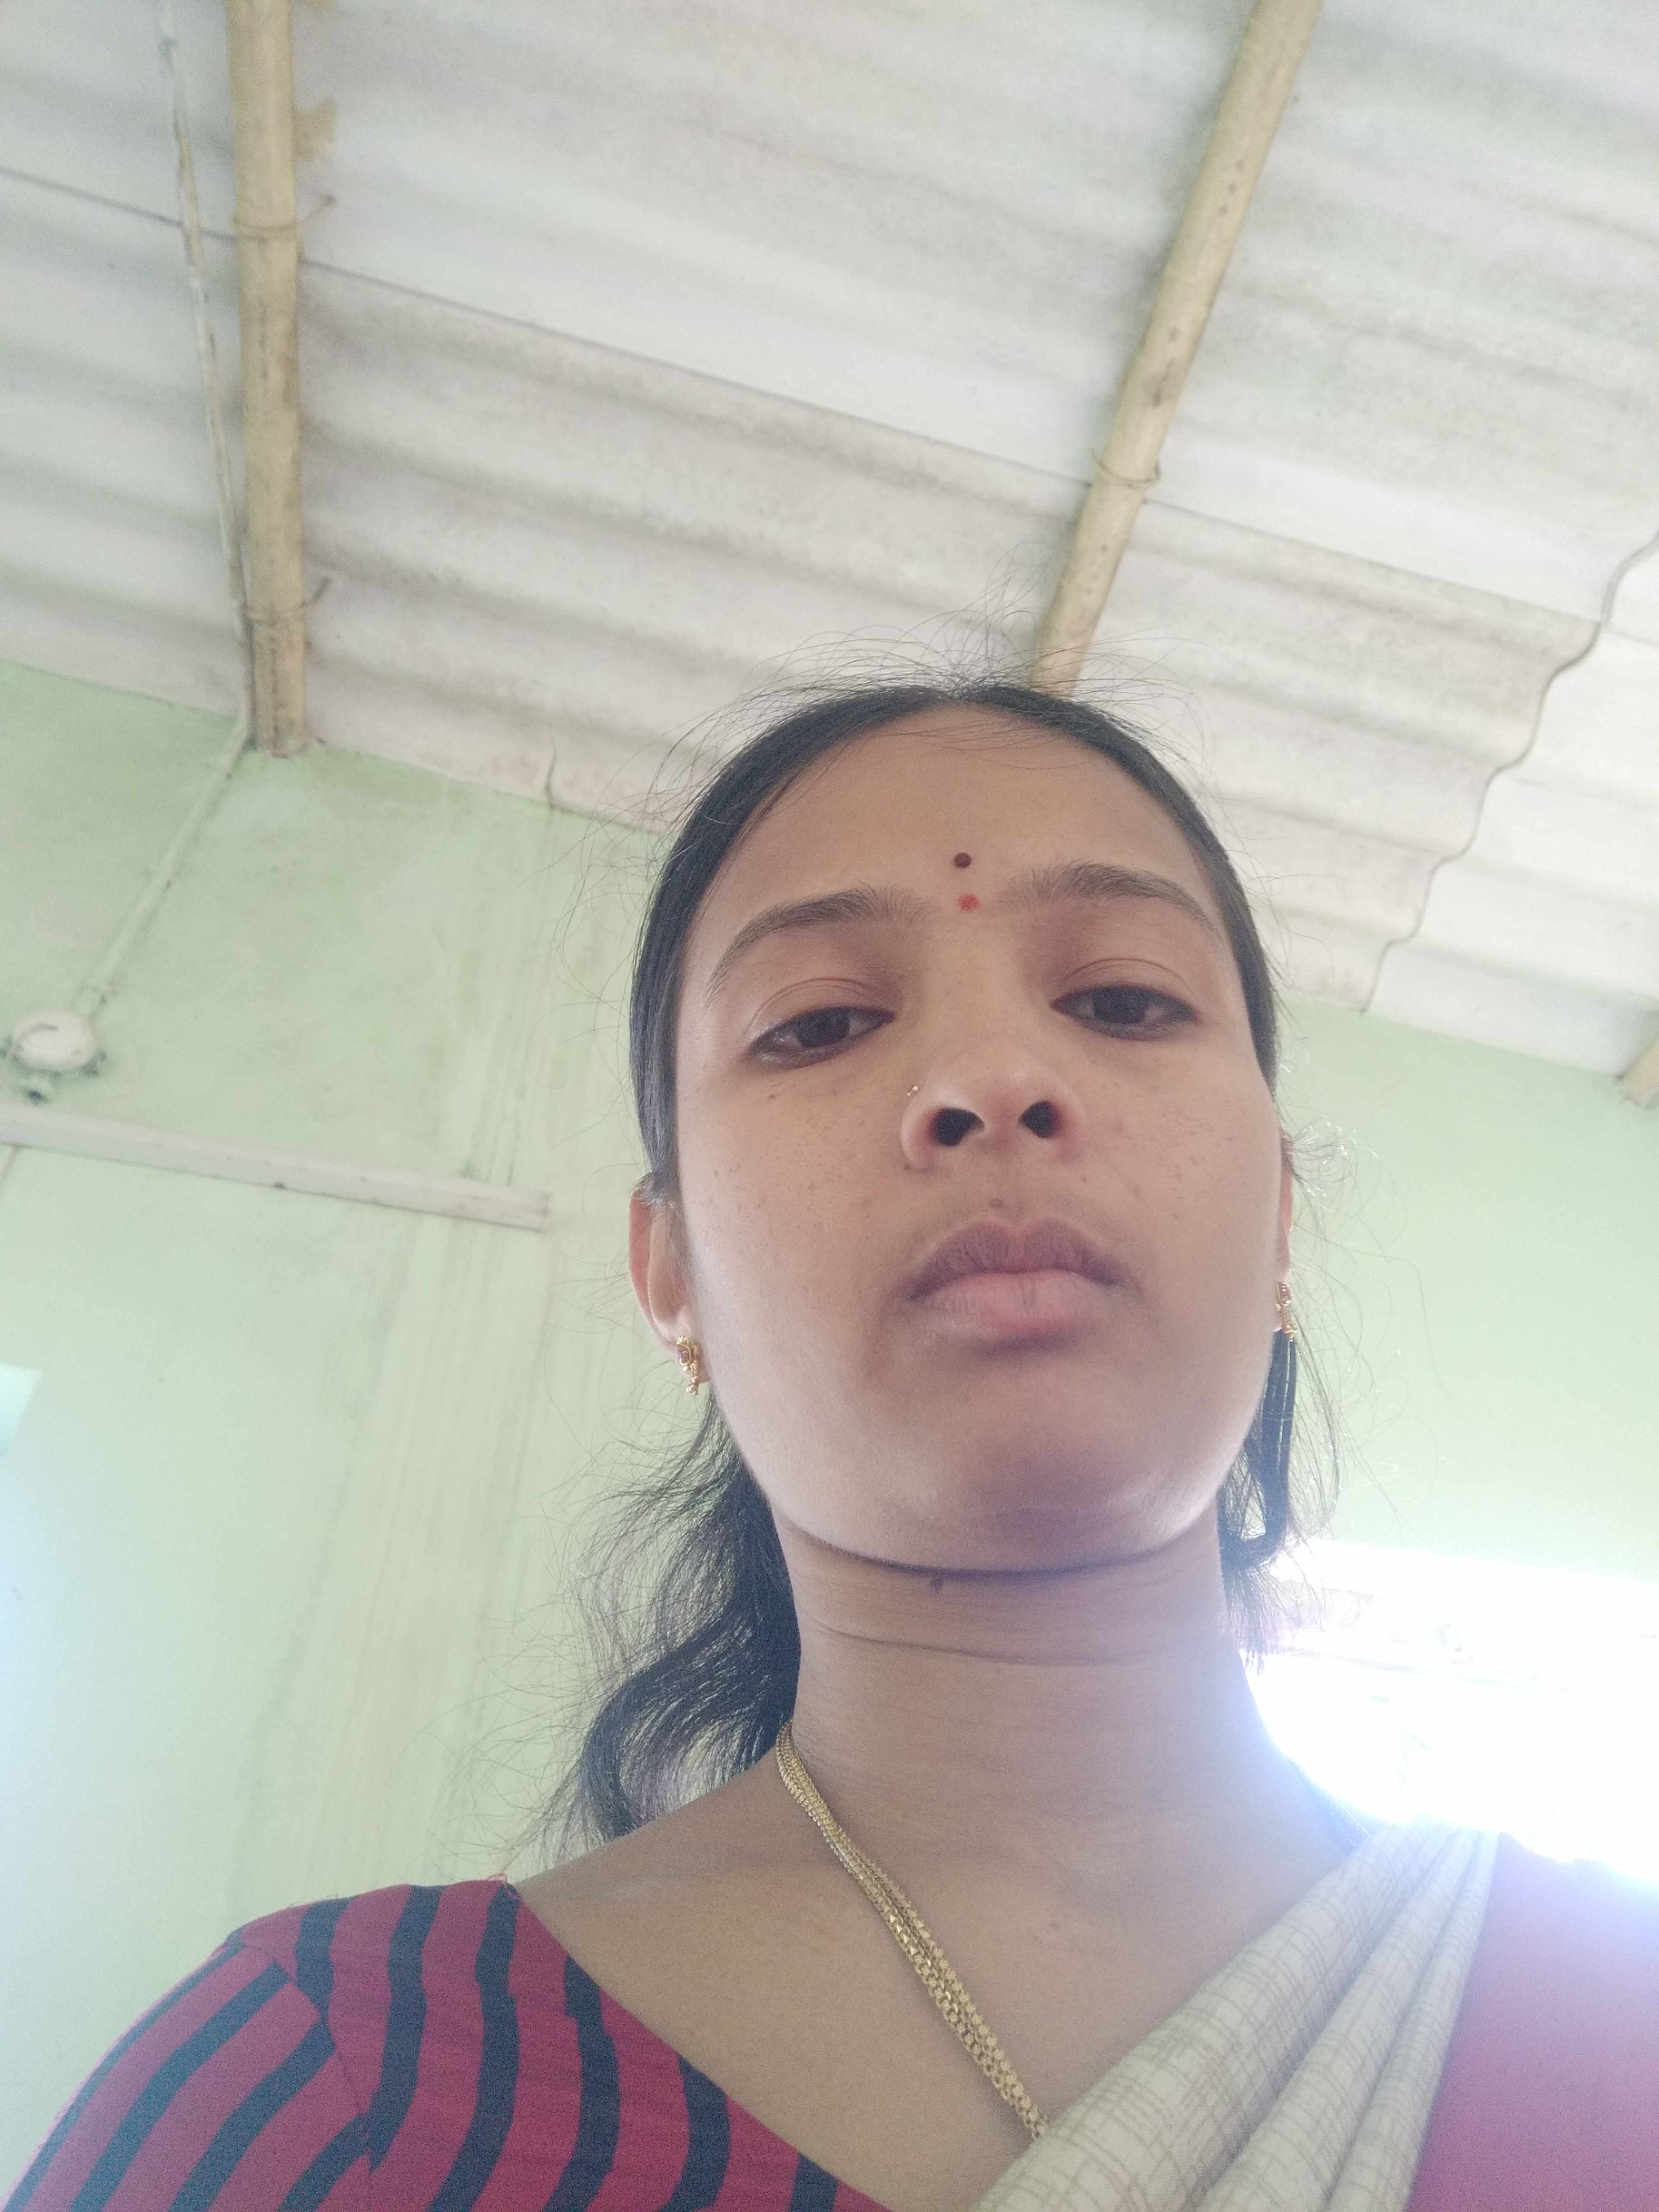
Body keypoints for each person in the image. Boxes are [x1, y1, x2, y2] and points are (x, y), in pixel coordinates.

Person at [9, 682, 1657, 2212]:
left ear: (1281, 1215)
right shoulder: (342, 2083)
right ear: (670, 1276)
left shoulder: (1617, 2019)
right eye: (817, 1024)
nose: (995, 1078)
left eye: (1124, 998)